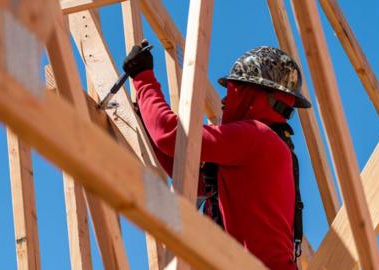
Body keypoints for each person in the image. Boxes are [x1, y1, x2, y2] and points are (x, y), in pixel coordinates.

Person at [123, 44, 311, 270]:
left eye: (233, 91)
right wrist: (146, 119)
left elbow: (172, 136)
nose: (223, 101)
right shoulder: (265, 148)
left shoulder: (255, 136)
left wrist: (144, 79)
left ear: (253, 94)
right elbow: (187, 171)